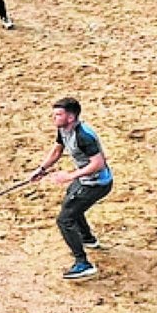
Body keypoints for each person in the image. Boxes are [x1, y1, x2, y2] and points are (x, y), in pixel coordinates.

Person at [30, 97, 114, 281]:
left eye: (58, 114)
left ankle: (83, 263)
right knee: (71, 202)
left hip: (97, 184)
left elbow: (98, 164)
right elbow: (57, 150)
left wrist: (69, 176)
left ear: (71, 117)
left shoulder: (84, 136)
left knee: (65, 219)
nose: (54, 118)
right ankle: (88, 239)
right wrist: (41, 169)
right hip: (84, 180)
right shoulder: (63, 129)